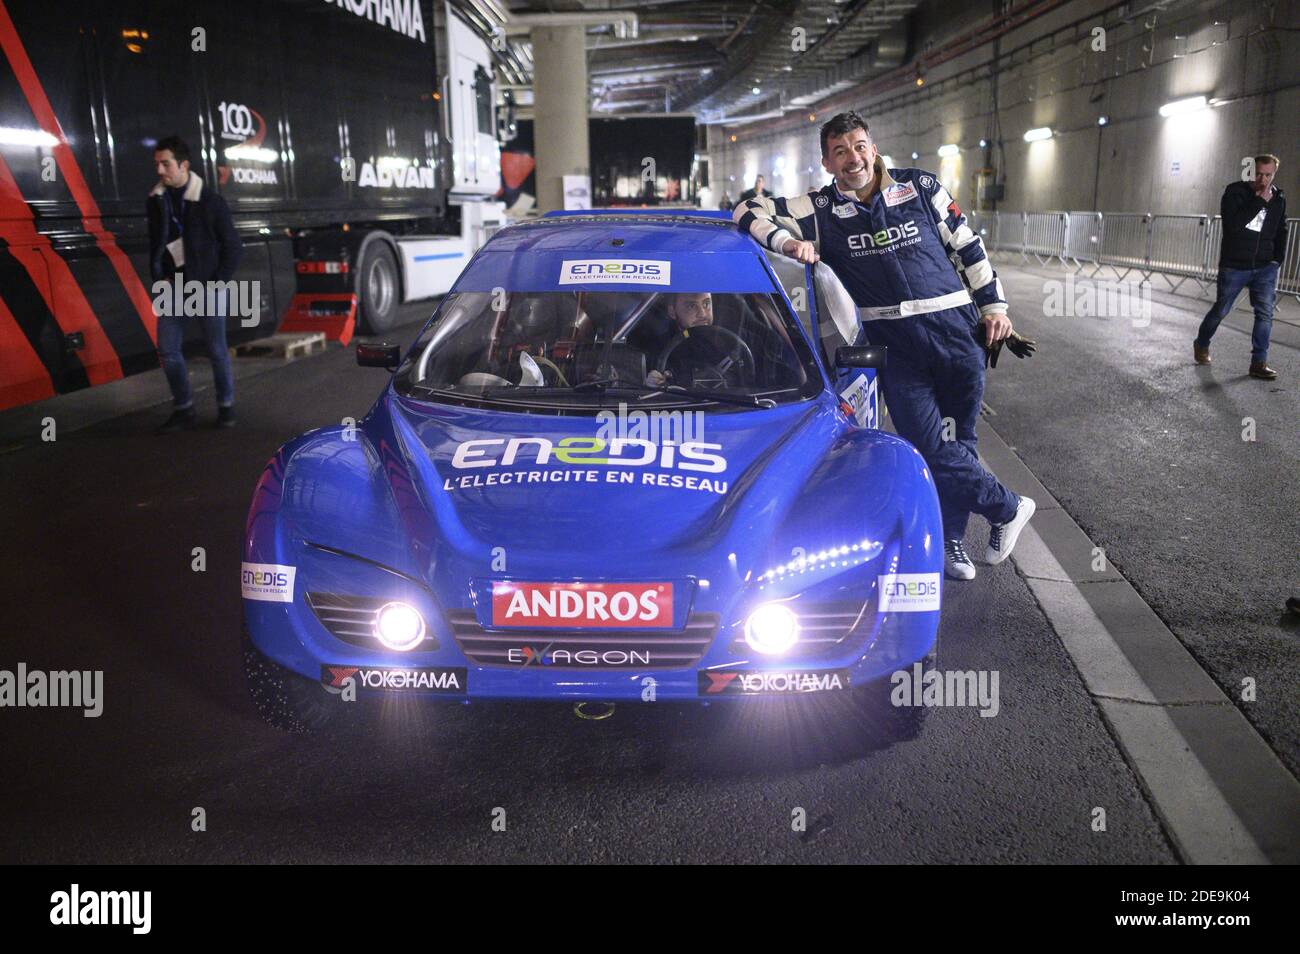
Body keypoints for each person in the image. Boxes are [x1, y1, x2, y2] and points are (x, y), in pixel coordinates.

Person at [733, 111, 1035, 581]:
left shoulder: (922, 187)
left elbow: (968, 247)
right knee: (928, 442)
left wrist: (995, 308)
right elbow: (746, 210)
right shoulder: (817, 209)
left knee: (960, 441)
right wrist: (788, 244)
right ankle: (1008, 507)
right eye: (840, 151)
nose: (852, 158)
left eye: (858, 146)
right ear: (827, 163)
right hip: (896, 348)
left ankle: (951, 541)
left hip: (957, 335)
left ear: (872, 147)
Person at [147, 135, 243, 432]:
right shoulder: (156, 200)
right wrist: (160, 271)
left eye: (166, 164)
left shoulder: (211, 202)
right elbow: (157, 241)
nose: (160, 170)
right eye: (157, 164)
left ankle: (226, 407)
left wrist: (218, 282)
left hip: (208, 286)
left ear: (184, 165)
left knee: (216, 350)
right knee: (168, 349)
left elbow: (233, 246)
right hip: (173, 286)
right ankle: (184, 408)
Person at [1194, 154, 1287, 380]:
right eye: (1258, 174)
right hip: (1235, 265)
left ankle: (1258, 362)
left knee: (1265, 313)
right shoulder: (1235, 193)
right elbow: (1233, 226)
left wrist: (1278, 259)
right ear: (1250, 172)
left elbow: (1281, 230)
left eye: (1268, 174)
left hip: (1265, 267)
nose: (1263, 179)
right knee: (1222, 309)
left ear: (1274, 174)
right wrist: (1259, 201)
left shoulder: (1279, 198)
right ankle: (1202, 343)